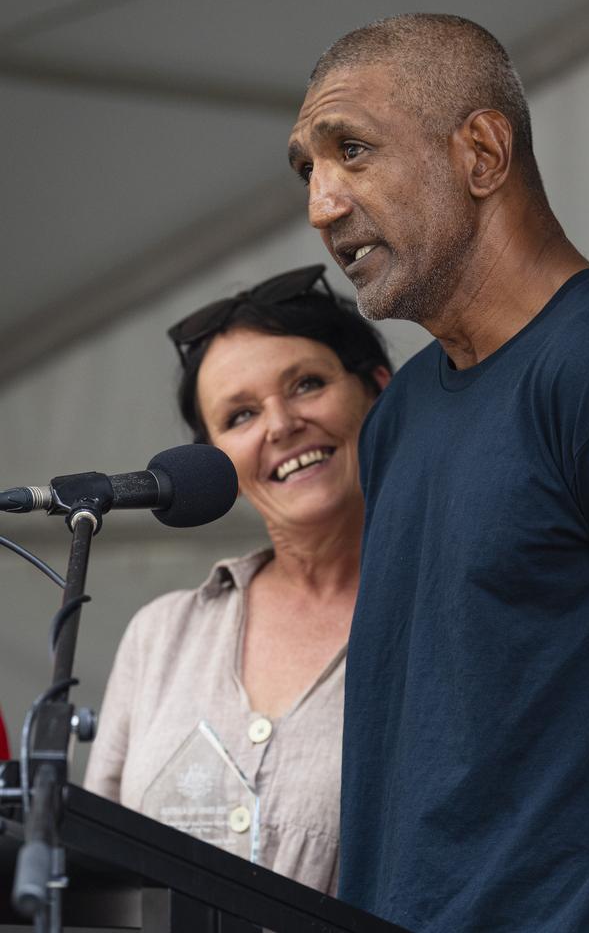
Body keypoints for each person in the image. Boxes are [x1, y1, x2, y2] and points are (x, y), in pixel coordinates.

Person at [288, 14, 589, 931]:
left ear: (482, 153)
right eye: (307, 169)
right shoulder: (400, 416)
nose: (321, 205)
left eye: (352, 151)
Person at [85, 264, 391, 894]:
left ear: (378, 391)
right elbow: (98, 879)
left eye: (307, 384)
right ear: (212, 463)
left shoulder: (447, 613)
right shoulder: (161, 635)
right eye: (241, 416)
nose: (280, 426)